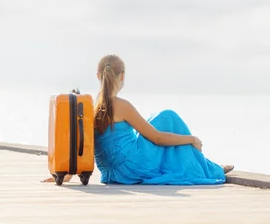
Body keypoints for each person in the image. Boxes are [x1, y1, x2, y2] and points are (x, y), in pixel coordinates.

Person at [44, 54, 233, 184]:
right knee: (168, 116)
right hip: (133, 165)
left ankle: (206, 165)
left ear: (98, 76)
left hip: (112, 173)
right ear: (122, 77)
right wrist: (192, 139)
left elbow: (83, 145)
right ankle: (209, 168)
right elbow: (157, 138)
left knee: (153, 120)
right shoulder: (121, 105)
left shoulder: (89, 105)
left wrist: (66, 175)